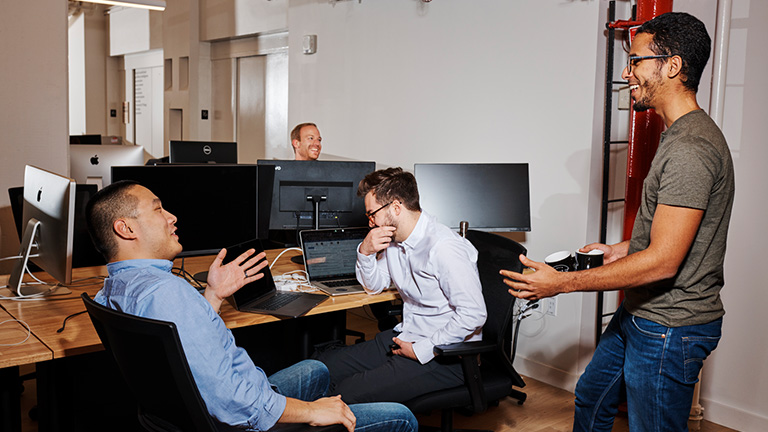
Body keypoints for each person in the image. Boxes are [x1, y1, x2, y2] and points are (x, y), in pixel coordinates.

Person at [500, 12, 734, 432]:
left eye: (636, 60)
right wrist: (617, 250)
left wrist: (560, 283)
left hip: (669, 327)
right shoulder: (679, 136)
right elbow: (671, 236)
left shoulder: (691, 149)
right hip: (641, 310)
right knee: (592, 395)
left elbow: (664, 262)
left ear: (673, 66)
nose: (627, 72)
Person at [85, 180, 417, 432]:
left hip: (190, 413)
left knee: (318, 369)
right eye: (158, 209)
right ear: (125, 228)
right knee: (402, 418)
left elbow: (178, 348)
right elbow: (235, 402)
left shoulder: (113, 289)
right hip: (240, 419)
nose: (172, 217)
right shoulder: (169, 294)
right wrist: (312, 412)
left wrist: (213, 295)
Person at [316, 167, 487, 403]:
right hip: (405, 336)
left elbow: (474, 314)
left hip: (444, 356)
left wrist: (422, 349)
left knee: (346, 393)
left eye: (372, 214)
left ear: (396, 207)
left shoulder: (444, 248)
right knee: (321, 368)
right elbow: (374, 286)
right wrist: (365, 252)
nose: (370, 222)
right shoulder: (397, 242)